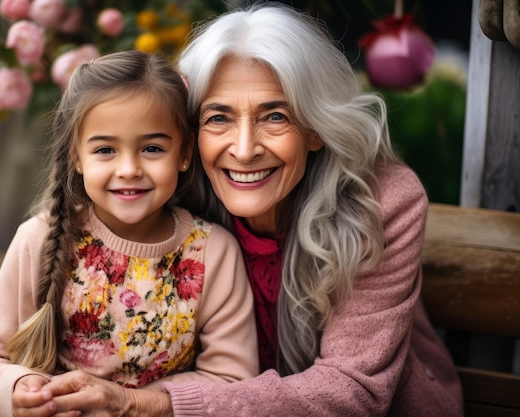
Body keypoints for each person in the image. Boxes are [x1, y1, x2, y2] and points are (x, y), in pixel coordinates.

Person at [27, 4, 465, 416]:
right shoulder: (173, 194)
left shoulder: (382, 202)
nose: (243, 148)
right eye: (218, 118)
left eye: (275, 116)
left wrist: (150, 405)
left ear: (316, 128)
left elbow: (353, 389)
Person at [0, 50, 259, 417]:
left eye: (152, 148)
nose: (129, 169)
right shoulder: (39, 238)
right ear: (77, 157)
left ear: (184, 153)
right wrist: (18, 391)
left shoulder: (214, 252)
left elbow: (233, 381)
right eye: (105, 149)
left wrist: (144, 404)